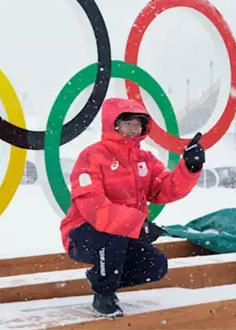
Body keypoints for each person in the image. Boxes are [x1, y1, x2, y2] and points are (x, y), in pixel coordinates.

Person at [59, 97, 205, 317]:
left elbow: (165, 188)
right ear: (113, 123)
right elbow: (94, 207)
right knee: (114, 232)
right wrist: (138, 226)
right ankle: (104, 296)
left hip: (122, 236)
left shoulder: (144, 159)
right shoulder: (92, 156)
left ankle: (100, 275)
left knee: (156, 265)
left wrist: (190, 167)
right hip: (82, 234)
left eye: (139, 123)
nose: (134, 128)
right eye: (128, 122)